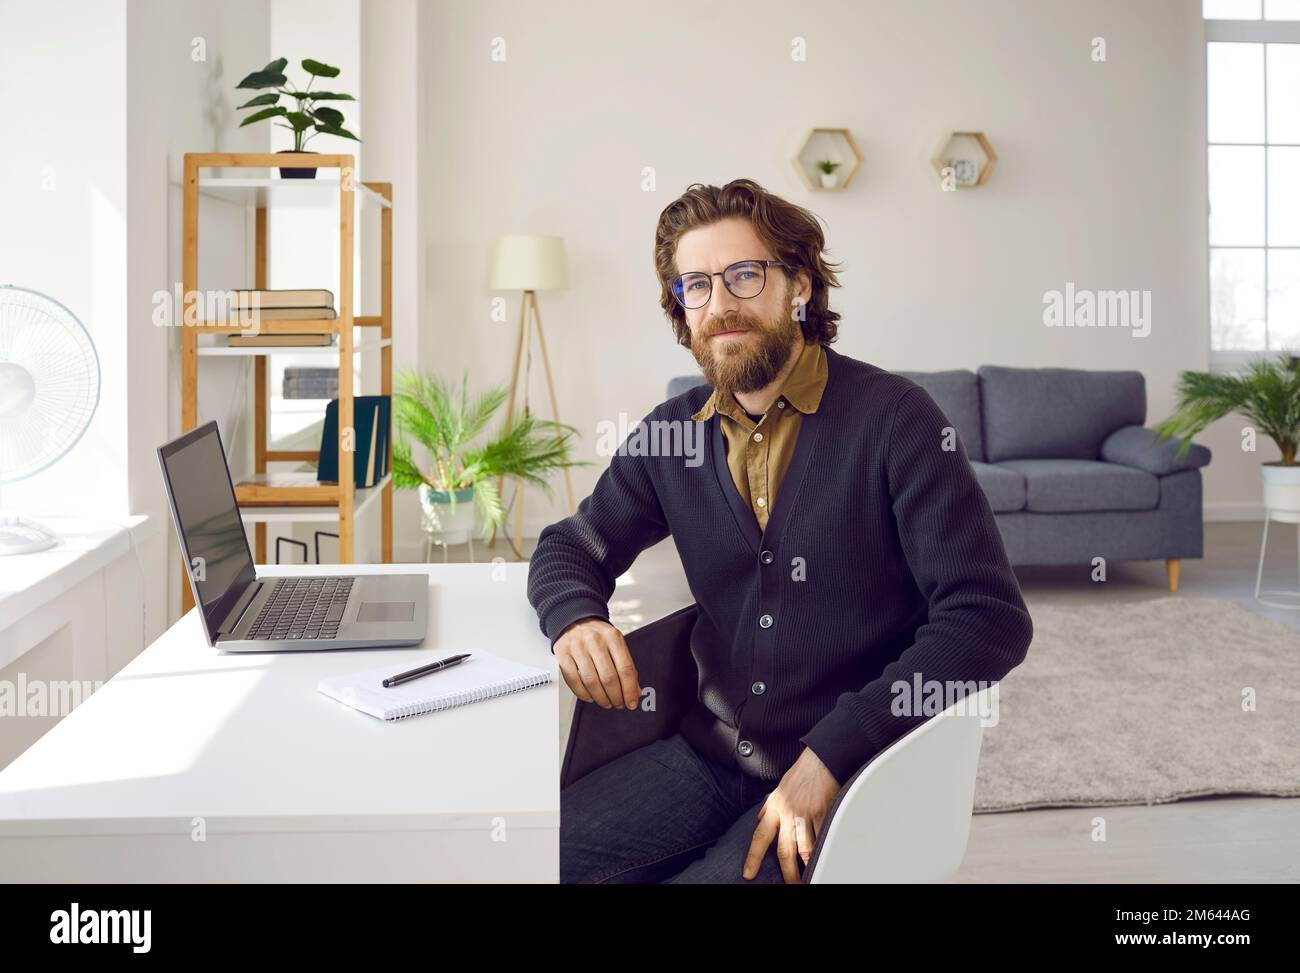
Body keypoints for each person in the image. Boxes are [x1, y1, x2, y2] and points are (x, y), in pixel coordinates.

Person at [527, 178, 1033, 883]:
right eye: (695, 285)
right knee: (521, 861)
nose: (720, 303)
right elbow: (570, 546)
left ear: (798, 284)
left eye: (744, 274)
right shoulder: (672, 436)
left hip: (848, 769)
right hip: (706, 757)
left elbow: (988, 619)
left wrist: (830, 754)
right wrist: (574, 617)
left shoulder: (897, 420)